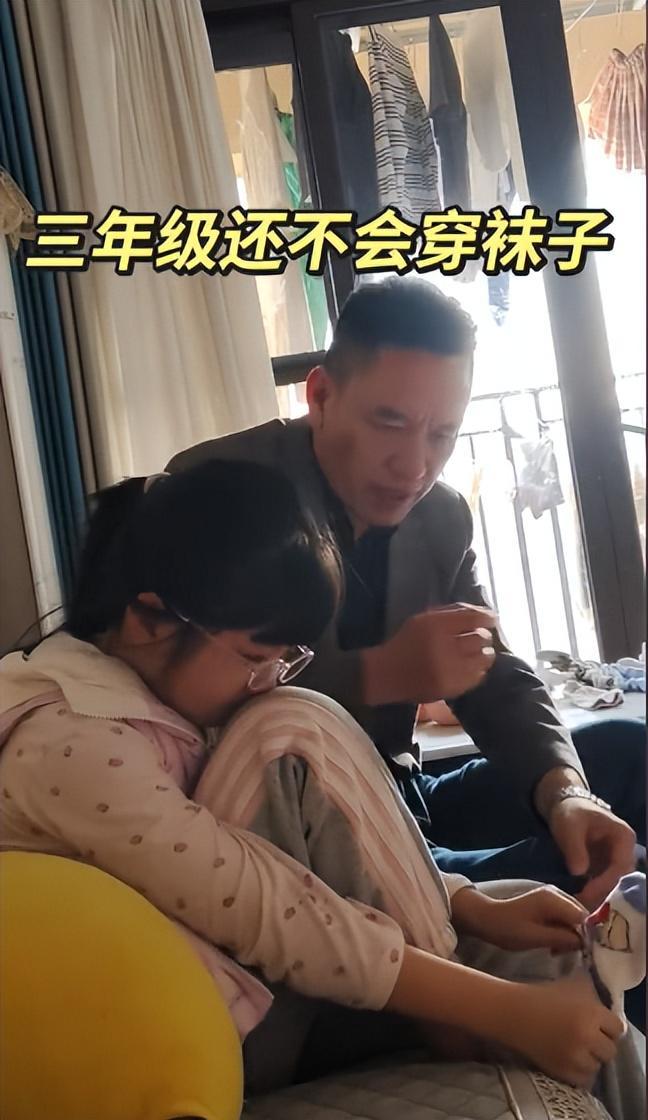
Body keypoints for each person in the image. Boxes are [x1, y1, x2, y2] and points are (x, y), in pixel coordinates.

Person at [0, 459, 642, 1119]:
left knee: (560, 965)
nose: (268, 679)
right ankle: (461, 1026)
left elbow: (285, 871)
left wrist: (466, 902)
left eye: (286, 660)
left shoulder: (165, 702)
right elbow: (277, 910)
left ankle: (473, 1006)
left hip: (253, 993)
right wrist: (501, 1010)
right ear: (149, 619)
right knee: (291, 724)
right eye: (257, 658)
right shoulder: (69, 744)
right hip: (194, 1043)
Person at [167, 278, 644, 917]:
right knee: (582, 881)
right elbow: (190, 702)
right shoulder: (218, 493)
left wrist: (565, 793)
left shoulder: (440, 516)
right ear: (320, 395)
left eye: (442, 433)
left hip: (407, 797)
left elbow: (492, 672)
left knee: (628, 751)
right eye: (389, 422)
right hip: (307, 841)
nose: (415, 466)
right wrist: (380, 674)